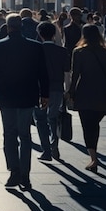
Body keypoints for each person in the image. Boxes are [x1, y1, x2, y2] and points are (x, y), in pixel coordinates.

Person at [0, 14, 49, 190]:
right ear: (21, 26)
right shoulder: (35, 46)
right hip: (27, 95)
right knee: (25, 135)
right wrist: (44, 94)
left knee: (9, 134)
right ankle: (25, 174)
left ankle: (14, 171)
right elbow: (42, 72)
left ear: (7, 27)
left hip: (6, 95)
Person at [68, 24, 106, 173]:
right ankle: (94, 156)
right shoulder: (105, 52)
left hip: (84, 92)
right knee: (94, 125)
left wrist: (71, 92)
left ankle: (93, 157)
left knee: (87, 126)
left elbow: (75, 74)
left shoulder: (79, 52)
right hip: (101, 93)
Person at [33, 21, 70, 162]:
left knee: (40, 119)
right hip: (57, 88)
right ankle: (54, 144)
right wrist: (67, 90)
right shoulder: (62, 51)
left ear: (39, 34)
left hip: (39, 89)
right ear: (54, 34)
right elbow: (67, 73)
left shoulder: (36, 50)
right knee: (53, 117)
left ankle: (46, 150)